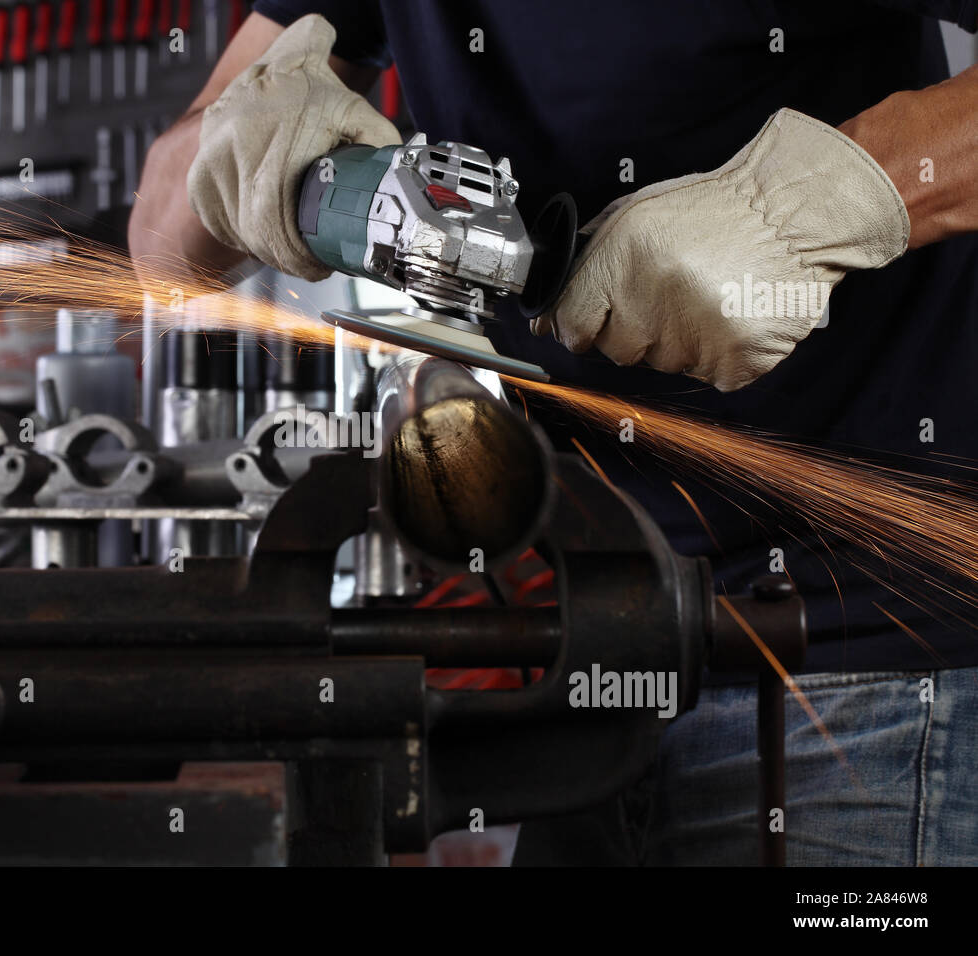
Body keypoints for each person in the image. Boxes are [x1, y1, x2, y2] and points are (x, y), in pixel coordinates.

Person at [128, 2, 978, 865]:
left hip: (866, 662)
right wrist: (257, 157)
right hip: (603, 652)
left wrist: (810, 207)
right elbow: (158, 243)